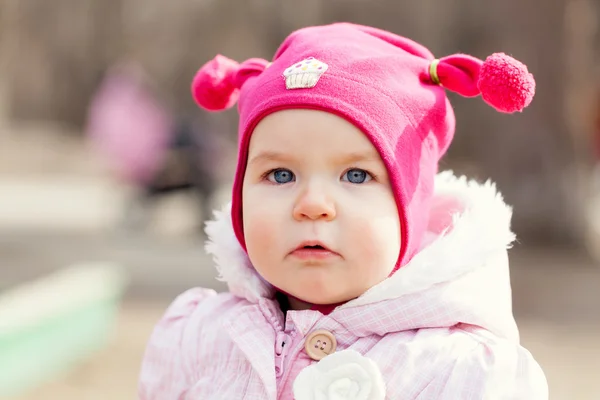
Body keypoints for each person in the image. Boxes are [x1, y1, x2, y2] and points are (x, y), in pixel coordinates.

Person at [138, 23, 547, 399]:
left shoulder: (460, 373)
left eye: (355, 176)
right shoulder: (197, 339)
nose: (313, 205)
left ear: (411, 206)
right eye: (280, 175)